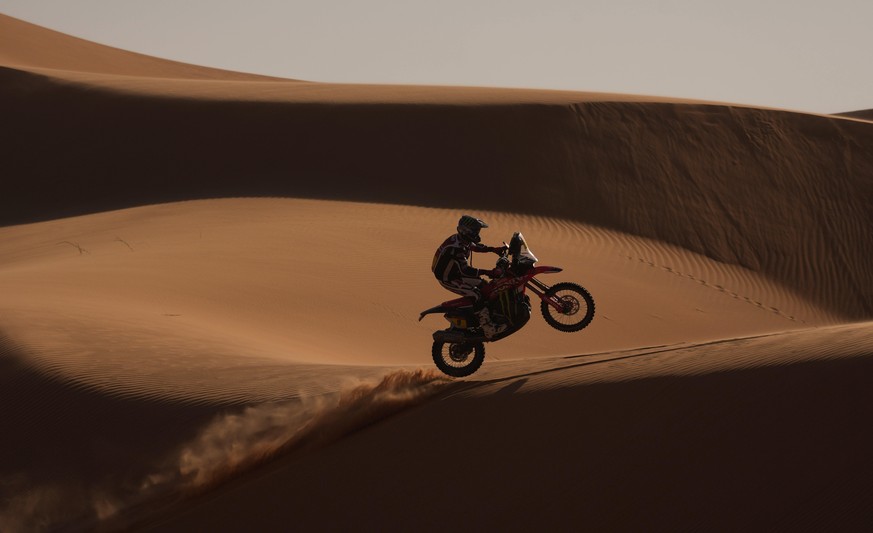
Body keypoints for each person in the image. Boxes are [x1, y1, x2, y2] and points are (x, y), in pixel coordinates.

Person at [432, 215, 508, 338]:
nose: (478, 233)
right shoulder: (456, 249)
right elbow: (466, 270)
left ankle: (490, 315)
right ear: (467, 230)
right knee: (476, 295)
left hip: (456, 274)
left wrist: (493, 249)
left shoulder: (460, 240)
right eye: (476, 230)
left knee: (484, 286)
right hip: (449, 279)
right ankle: (488, 327)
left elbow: (474, 246)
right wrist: (488, 272)